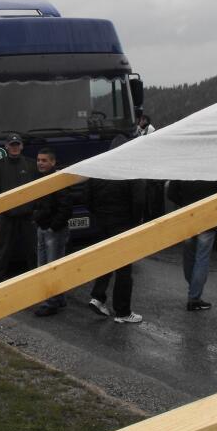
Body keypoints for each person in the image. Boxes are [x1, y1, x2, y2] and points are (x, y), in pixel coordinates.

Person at [87, 135, 146, 324]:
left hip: (102, 222)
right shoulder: (130, 169)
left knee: (105, 261)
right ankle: (122, 312)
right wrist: (135, 220)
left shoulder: (98, 169)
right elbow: (139, 200)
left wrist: (98, 213)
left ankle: (97, 297)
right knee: (123, 270)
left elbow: (85, 196)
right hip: (123, 223)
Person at [168, 179, 217, 311]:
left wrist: (185, 203)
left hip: (188, 215)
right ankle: (194, 298)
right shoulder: (214, 169)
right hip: (209, 217)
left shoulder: (185, 167)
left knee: (189, 256)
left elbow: (171, 192)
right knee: (202, 258)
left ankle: (193, 288)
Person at [0, 134, 37, 285]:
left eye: (17, 144)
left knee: (33, 251)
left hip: (28, 217)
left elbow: (38, 189)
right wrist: (3, 209)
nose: (15, 147)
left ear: (21, 146)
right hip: (7, 217)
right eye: (12, 145)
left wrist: (34, 209)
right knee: (2, 251)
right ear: (6, 146)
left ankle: (36, 283)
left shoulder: (31, 165)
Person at [33, 147, 73, 317]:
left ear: (53, 162)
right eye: (39, 160)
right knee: (44, 266)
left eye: (44, 160)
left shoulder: (58, 181)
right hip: (42, 229)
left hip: (53, 232)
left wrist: (52, 227)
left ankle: (50, 303)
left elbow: (66, 208)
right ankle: (59, 298)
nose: (40, 163)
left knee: (51, 267)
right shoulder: (40, 180)